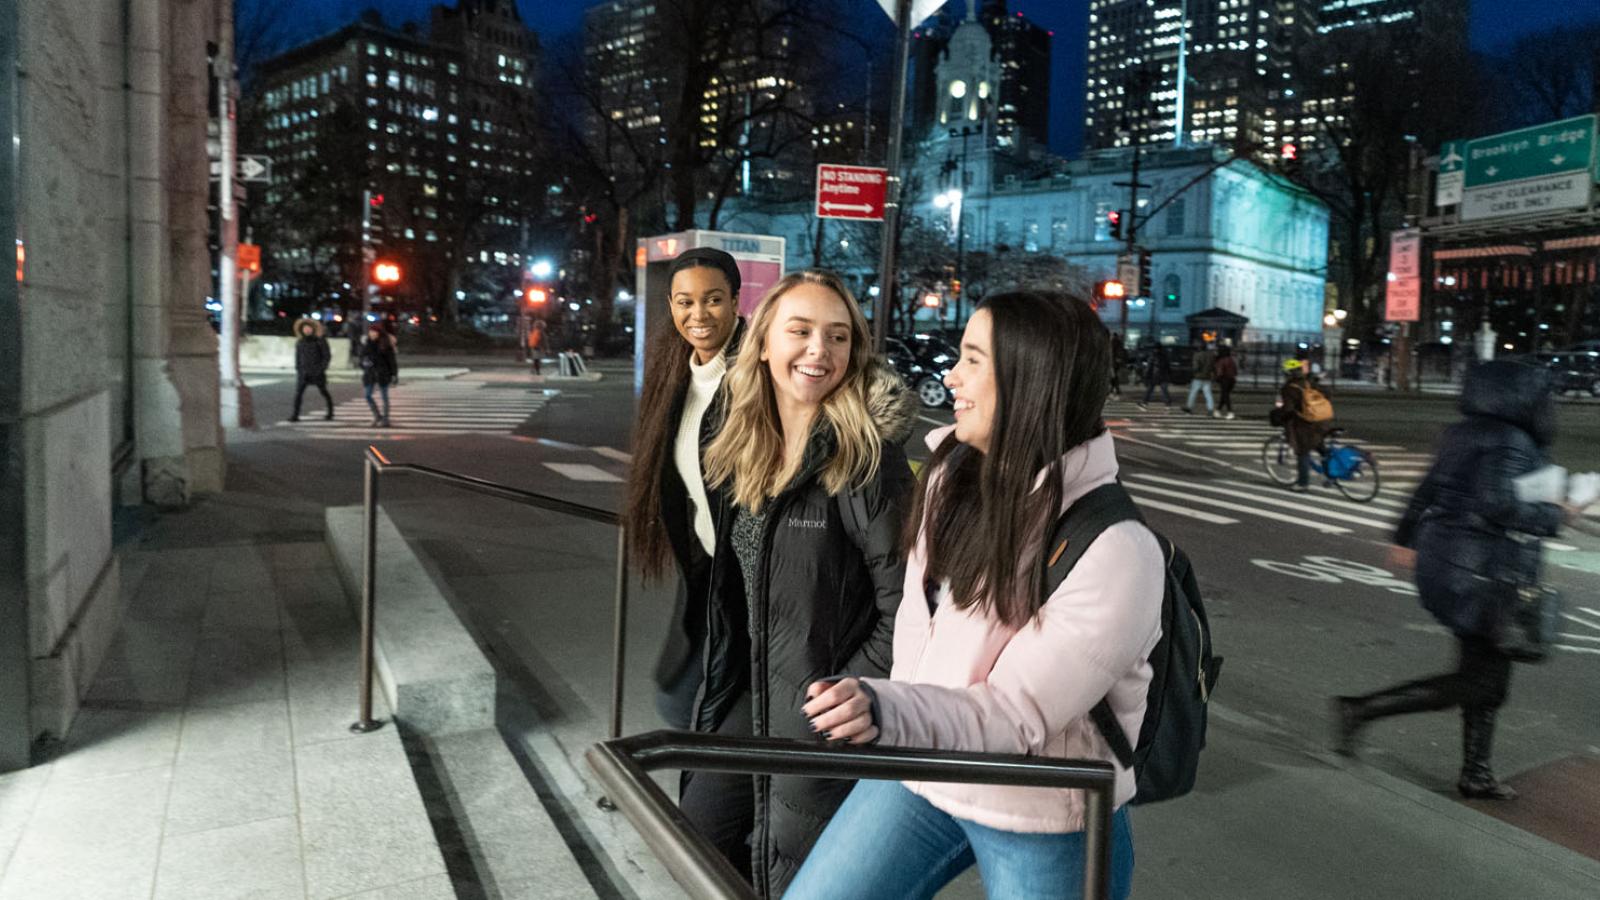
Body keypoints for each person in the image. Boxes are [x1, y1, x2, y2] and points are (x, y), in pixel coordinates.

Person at [787, 291, 1164, 900]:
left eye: (971, 360)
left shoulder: (1118, 548)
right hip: (923, 768)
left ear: (1031, 379)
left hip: (1038, 807)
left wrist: (884, 710)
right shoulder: (948, 477)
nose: (950, 376)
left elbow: (1016, 717)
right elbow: (918, 629)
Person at [700, 269, 914, 897]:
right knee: (700, 838)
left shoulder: (866, 458)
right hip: (752, 690)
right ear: (764, 341)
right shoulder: (744, 444)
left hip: (819, 710)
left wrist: (852, 690)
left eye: (838, 337)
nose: (820, 350)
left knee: (796, 871)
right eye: (801, 331)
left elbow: (909, 607)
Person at [1332, 361, 1584, 799]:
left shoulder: (1465, 432)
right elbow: (1498, 505)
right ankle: (1362, 709)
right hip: (1484, 572)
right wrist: (1557, 515)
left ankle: (1477, 772)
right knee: (1483, 682)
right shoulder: (1512, 440)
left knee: (1483, 675)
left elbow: (1427, 490)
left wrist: (1404, 536)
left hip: (1454, 564)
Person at [621, 247, 746, 736]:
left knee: (700, 713)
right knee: (681, 704)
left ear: (736, 301)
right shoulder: (676, 373)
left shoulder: (759, 374)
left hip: (755, 584)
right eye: (684, 302)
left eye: (713, 300)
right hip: (707, 575)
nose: (698, 315)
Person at [1277, 358, 1329, 492]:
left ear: (1288, 374)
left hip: (1304, 424)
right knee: (1321, 447)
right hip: (1320, 420)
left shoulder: (1289, 388)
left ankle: (1302, 483)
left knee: (1303, 452)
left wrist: (1279, 416)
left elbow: (1287, 409)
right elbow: (1326, 394)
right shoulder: (1309, 382)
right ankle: (1331, 476)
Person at [289, 318, 334, 423]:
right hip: (303, 373)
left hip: (317, 372)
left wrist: (321, 369)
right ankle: (295, 415)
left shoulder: (320, 340)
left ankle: (330, 412)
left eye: (309, 328)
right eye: (305, 328)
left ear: (312, 329)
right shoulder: (300, 342)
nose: (307, 330)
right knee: (298, 394)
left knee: (324, 391)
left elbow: (326, 356)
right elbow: (298, 357)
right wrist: (298, 369)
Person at [357, 323, 398, 427]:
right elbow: (361, 358)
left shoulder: (385, 345)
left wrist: (394, 375)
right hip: (369, 373)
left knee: (384, 397)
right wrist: (363, 364)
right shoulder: (366, 344)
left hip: (383, 373)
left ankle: (386, 419)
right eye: (371, 332)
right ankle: (377, 415)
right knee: (367, 395)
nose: (372, 334)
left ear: (379, 333)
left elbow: (392, 361)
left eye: (374, 332)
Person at [1183, 340, 1217, 416]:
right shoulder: (1211, 356)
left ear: (1199, 348)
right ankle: (1210, 409)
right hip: (1207, 377)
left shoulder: (1197, 355)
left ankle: (1189, 408)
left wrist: (1192, 373)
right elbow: (1213, 367)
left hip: (1198, 377)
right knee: (1208, 394)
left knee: (1193, 393)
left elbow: (1196, 367)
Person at [1136, 342, 1172, 411]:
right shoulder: (1164, 355)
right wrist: (1169, 375)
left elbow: (1149, 367)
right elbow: (1168, 367)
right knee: (1164, 390)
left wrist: (1145, 376)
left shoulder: (1153, 356)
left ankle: (1144, 403)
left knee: (1150, 390)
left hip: (1154, 375)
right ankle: (1168, 404)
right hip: (1163, 375)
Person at [1213, 344, 1238, 420]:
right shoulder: (1231, 359)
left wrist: (1217, 378)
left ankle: (1230, 412)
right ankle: (1218, 411)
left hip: (1224, 379)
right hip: (1232, 380)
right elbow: (1236, 371)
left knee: (1225, 396)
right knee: (1224, 396)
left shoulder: (1222, 360)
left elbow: (1220, 372)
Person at [1108, 333, 1126, 399]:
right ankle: (1113, 390)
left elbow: (1111, 353)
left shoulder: (1112, 342)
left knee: (1113, 376)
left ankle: (1116, 391)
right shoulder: (1119, 343)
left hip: (1113, 363)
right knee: (1113, 376)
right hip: (1116, 363)